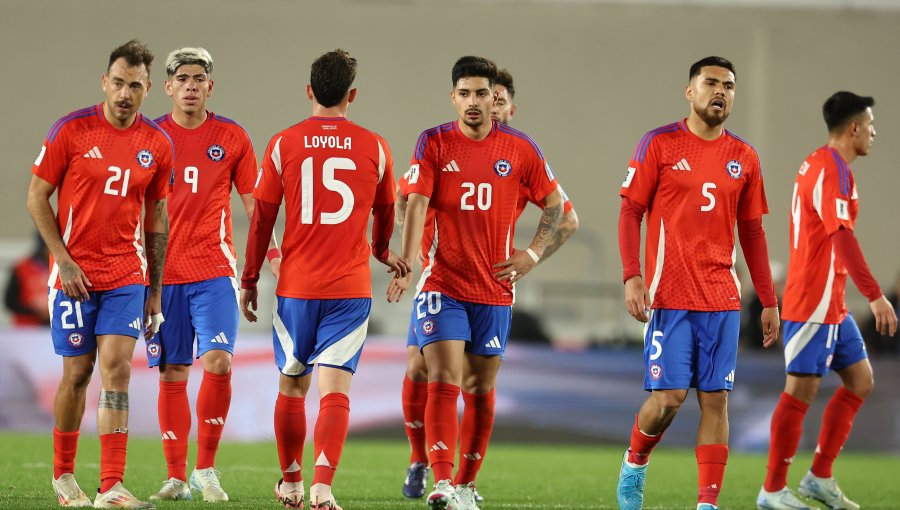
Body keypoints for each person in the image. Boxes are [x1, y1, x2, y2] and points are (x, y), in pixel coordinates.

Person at [396, 67, 578, 503]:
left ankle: (465, 482)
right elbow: (407, 195)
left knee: (477, 386)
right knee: (431, 372)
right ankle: (431, 468)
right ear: (455, 97)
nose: (484, 104)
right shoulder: (435, 143)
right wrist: (412, 247)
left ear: (507, 106)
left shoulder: (521, 153)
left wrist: (531, 255)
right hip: (440, 280)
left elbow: (566, 217)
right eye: (471, 94)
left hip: (493, 289)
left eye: (492, 97)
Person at [240, 49, 406, 510]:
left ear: (310, 91)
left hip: (296, 286)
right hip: (349, 290)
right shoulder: (374, 145)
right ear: (352, 95)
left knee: (292, 383)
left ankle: (291, 484)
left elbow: (261, 220)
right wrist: (380, 251)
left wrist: (250, 277)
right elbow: (387, 210)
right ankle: (322, 488)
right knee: (335, 391)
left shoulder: (283, 143)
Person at [615, 56, 779, 510]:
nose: (720, 91)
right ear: (690, 91)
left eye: (728, 84)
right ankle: (634, 463)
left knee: (716, 402)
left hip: (722, 298)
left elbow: (752, 233)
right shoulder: (660, 143)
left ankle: (707, 503)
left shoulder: (744, 157)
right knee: (668, 399)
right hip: (669, 295)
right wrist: (632, 275)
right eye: (710, 83)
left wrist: (768, 299)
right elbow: (631, 212)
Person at [26, 39, 172, 509]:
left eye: (134, 85)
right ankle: (64, 477)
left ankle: (111, 486)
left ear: (148, 89)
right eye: (118, 83)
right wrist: (62, 260)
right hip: (73, 276)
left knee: (116, 370)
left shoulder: (157, 143)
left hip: (126, 275)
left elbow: (157, 219)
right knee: (77, 373)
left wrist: (154, 290)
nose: (124, 93)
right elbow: (36, 197)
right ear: (104, 82)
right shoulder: (71, 130)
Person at [147, 47, 279, 503]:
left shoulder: (233, 137)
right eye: (181, 78)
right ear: (167, 86)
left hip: (213, 270)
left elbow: (254, 206)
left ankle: (206, 469)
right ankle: (175, 476)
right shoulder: (149, 136)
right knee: (172, 372)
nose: (189, 85)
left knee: (219, 361)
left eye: (198, 78)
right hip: (161, 277)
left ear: (210, 85)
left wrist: (270, 257)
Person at [756, 91, 898, 510]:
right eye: (870, 125)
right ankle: (772, 489)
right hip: (811, 301)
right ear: (853, 128)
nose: (874, 132)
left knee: (861, 380)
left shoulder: (823, 165)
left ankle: (819, 476)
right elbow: (841, 236)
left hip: (831, 303)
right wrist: (875, 297)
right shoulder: (830, 170)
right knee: (800, 391)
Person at [4, 233, 51, 326]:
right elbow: (10, 302)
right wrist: (36, 312)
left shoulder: (63, 269)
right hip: (27, 331)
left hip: (56, 328)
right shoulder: (22, 268)